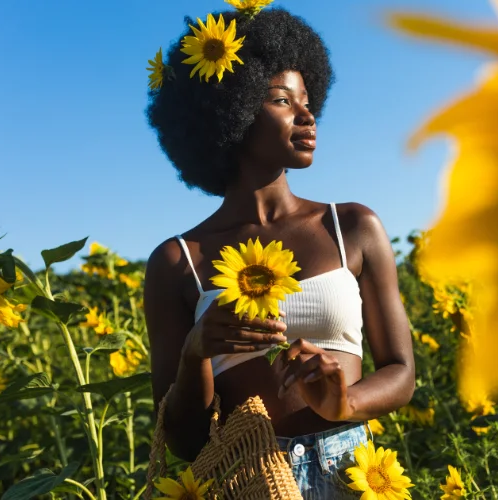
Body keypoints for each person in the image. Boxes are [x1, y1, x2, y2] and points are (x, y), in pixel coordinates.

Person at [143, 5, 415, 497]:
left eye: (308, 100)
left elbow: (401, 371)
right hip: (248, 479)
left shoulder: (352, 227)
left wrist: (344, 404)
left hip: (353, 475)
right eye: (281, 100)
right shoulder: (177, 262)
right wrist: (195, 354)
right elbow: (183, 441)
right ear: (232, 108)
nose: (308, 115)